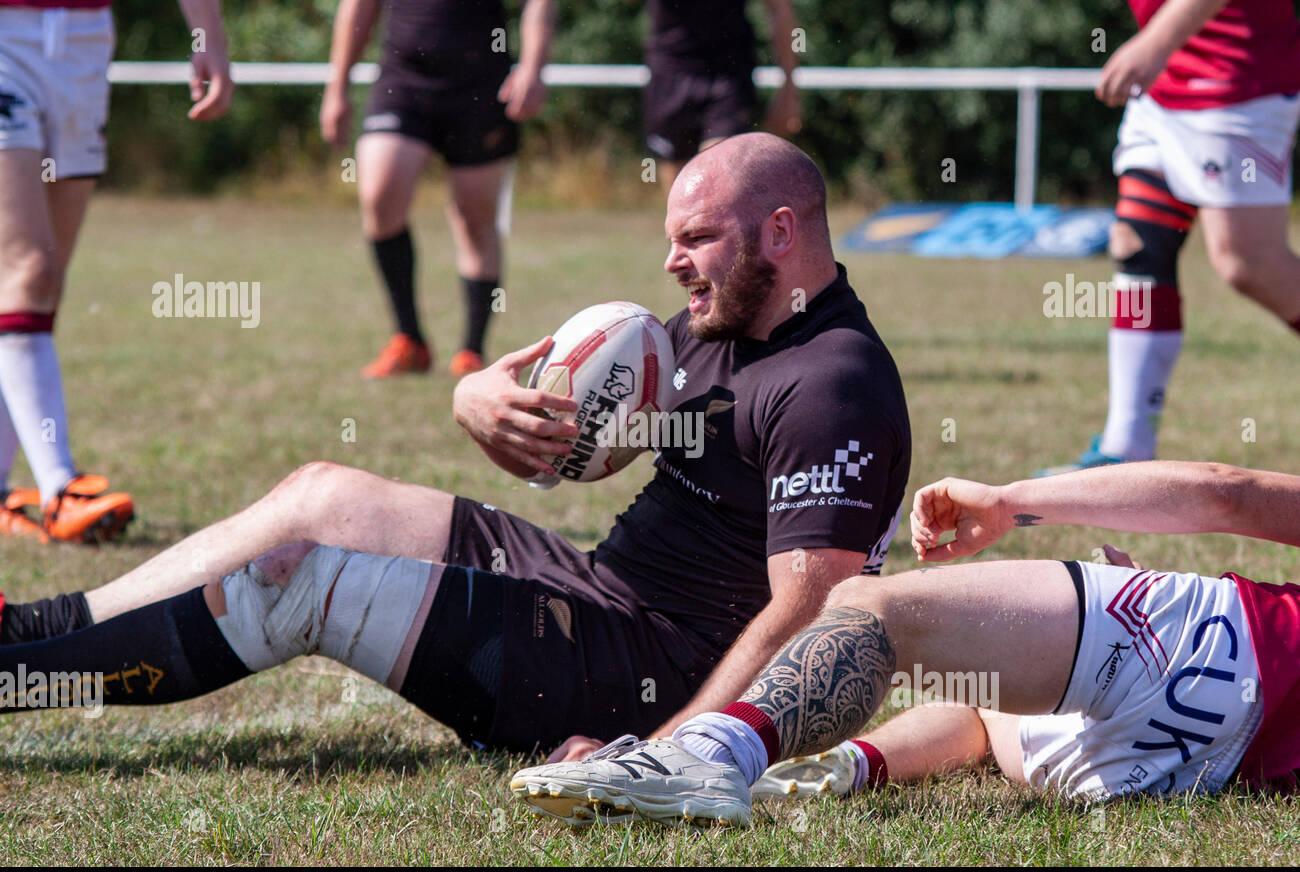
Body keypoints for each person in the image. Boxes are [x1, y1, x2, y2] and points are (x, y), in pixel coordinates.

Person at [0, 134, 912, 759]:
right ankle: (27, 634)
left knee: (299, 580)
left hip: (649, 675)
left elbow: (815, 612)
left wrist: (675, 753)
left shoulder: (834, 381)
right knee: (322, 492)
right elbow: (576, 439)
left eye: (697, 239)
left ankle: (20, 685)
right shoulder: (723, 319)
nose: (674, 263)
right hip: (599, 595)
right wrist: (477, 400)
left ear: (781, 232)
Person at [511, 459, 1300, 827]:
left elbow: (1227, 494)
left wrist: (1014, 501)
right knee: (982, 707)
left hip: (1215, 643)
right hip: (1188, 768)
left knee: (873, 609)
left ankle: (705, 758)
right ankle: (831, 771)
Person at [0, 0, 232, 541]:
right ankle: (61, 488)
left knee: (37, 286)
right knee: (28, 270)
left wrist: (208, 39)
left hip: (86, 39)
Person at [1041, 0, 1300, 474]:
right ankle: (1126, 446)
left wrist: (1155, 42)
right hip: (1163, 87)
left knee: (1246, 264)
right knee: (1139, 243)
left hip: (1236, 78)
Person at [321, 0, 555, 379]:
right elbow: (359, 7)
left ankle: (472, 351)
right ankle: (409, 339)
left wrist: (533, 66)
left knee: (475, 219)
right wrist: (337, 88)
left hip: (480, 85)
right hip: (403, 78)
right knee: (379, 195)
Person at [642, 0, 802, 191]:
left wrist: (789, 91)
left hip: (729, 75)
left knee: (718, 174)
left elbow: (779, 9)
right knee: (680, 193)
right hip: (669, 72)